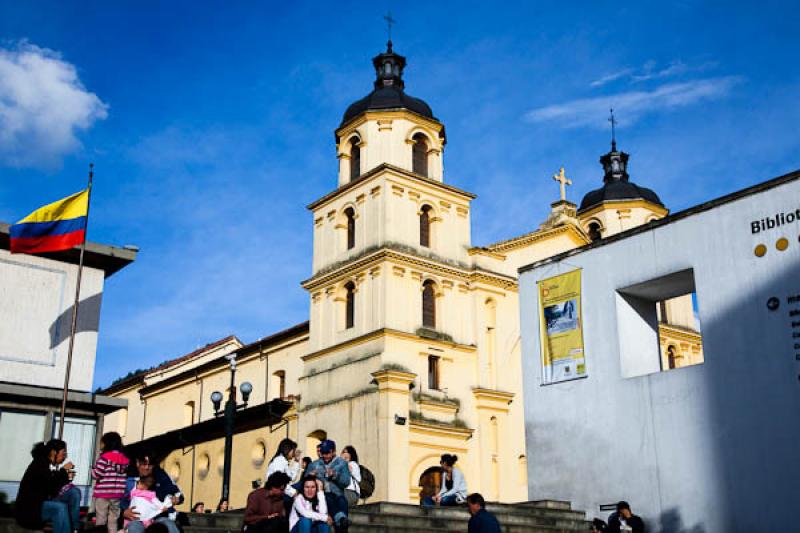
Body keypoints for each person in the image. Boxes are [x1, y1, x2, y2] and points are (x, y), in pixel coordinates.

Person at [15, 440, 81, 533]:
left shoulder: (44, 464)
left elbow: (52, 485)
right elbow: (51, 489)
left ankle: (74, 528)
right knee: (60, 508)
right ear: (54, 452)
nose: (65, 457)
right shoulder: (39, 464)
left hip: (41, 502)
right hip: (30, 510)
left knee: (74, 492)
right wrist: (63, 471)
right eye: (63, 453)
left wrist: (66, 477)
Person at [120, 449, 184, 533]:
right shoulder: (127, 476)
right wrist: (123, 512)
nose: (147, 468)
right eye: (144, 464)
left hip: (158, 518)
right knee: (134, 528)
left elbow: (178, 494)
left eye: (150, 465)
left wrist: (176, 499)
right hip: (135, 519)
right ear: (137, 463)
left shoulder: (161, 476)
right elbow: (114, 501)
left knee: (169, 525)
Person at [305, 440, 350, 532]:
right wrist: (310, 476)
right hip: (321, 495)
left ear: (333, 451)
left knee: (342, 501)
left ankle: (342, 524)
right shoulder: (314, 464)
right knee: (328, 498)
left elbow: (346, 482)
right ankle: (341, 519)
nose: (325, 456)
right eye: (323, 453)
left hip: (338, 494)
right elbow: (305, 481)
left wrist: (335, 475)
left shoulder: (342, 463)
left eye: (327, 453)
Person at [92, 432, 130, 533]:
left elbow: (97, 475)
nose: (100, 445)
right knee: (113, 519)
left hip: (103, 493)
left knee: (101, 518)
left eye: (102, 443)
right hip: (117, 494)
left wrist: (93, 469)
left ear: (107, 443)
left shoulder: (104, 458)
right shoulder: (124, 459)